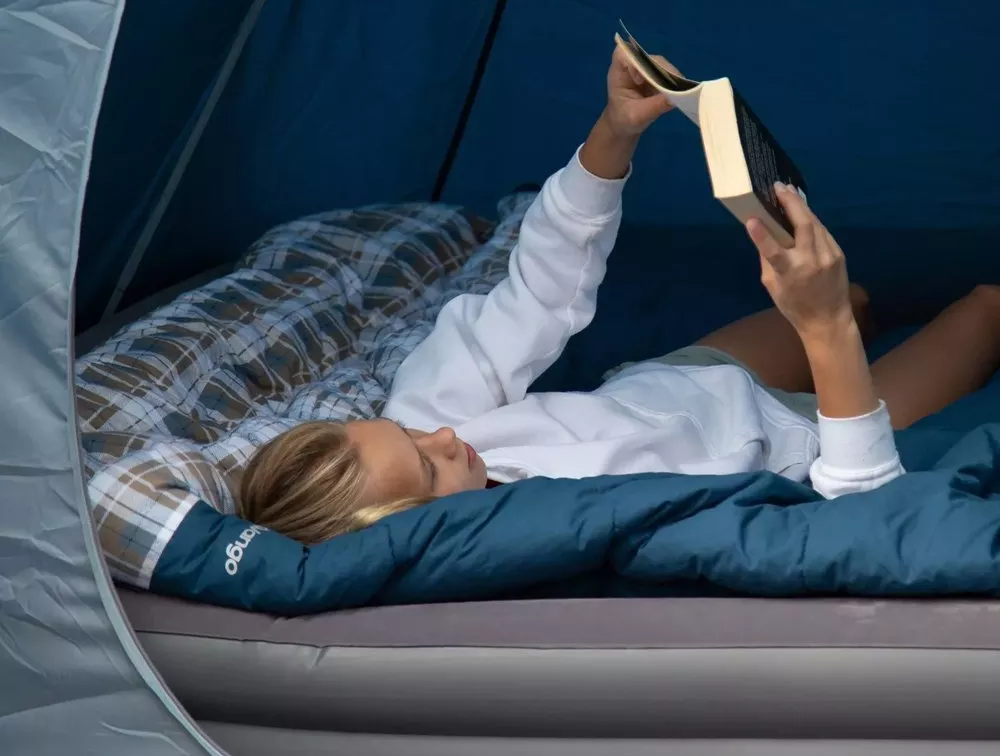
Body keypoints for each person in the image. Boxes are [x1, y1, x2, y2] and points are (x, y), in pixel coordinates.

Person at [238, 46, 1000, 544]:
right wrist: (823, 327)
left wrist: (614, 132)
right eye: (432, 470)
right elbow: (860, 519)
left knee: (859, 296)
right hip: (800, 438)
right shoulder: (560, 535)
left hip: (685, 376)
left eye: (408, 436)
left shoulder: (431, 424)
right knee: (982, 310)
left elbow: (538, 290)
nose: (443, 440)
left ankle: (850, 309)